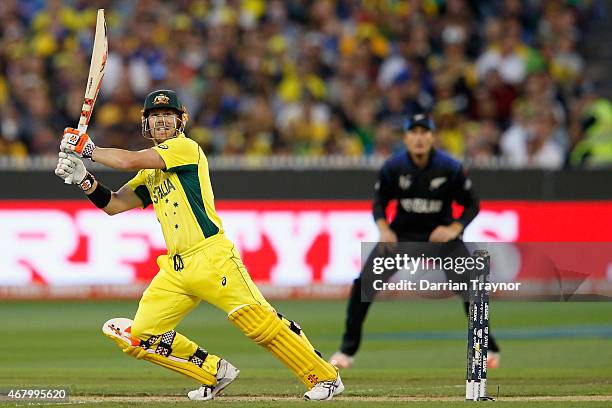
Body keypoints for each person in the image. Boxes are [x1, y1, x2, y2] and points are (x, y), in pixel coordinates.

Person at [55, 89, 343, 401]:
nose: (162, 121)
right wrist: (84, 179)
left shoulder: (184, 148)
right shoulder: (149, 172)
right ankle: (213, 372)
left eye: (168, 115)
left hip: (211, 256)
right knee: (141, 335)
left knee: (257, 322)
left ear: (181, 121)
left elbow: (127, 160)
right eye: (155, 116)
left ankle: (326, 377)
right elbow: (113, 204)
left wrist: (88, 150)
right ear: (146, 123)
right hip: (176, 269)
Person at [329, 113, 501, 369]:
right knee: (362, 286)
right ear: (406, 138)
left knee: (473, 288)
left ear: (432, 137)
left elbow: (472, 204)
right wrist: (384, 229)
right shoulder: (393, 167)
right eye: (414, 133)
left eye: (424, 132)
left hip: (440, 236)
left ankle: (487, 348)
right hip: (402, 236)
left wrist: (454, 227)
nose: (419, 138)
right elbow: (379, 203)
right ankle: (346, 351)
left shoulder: (449, 167)